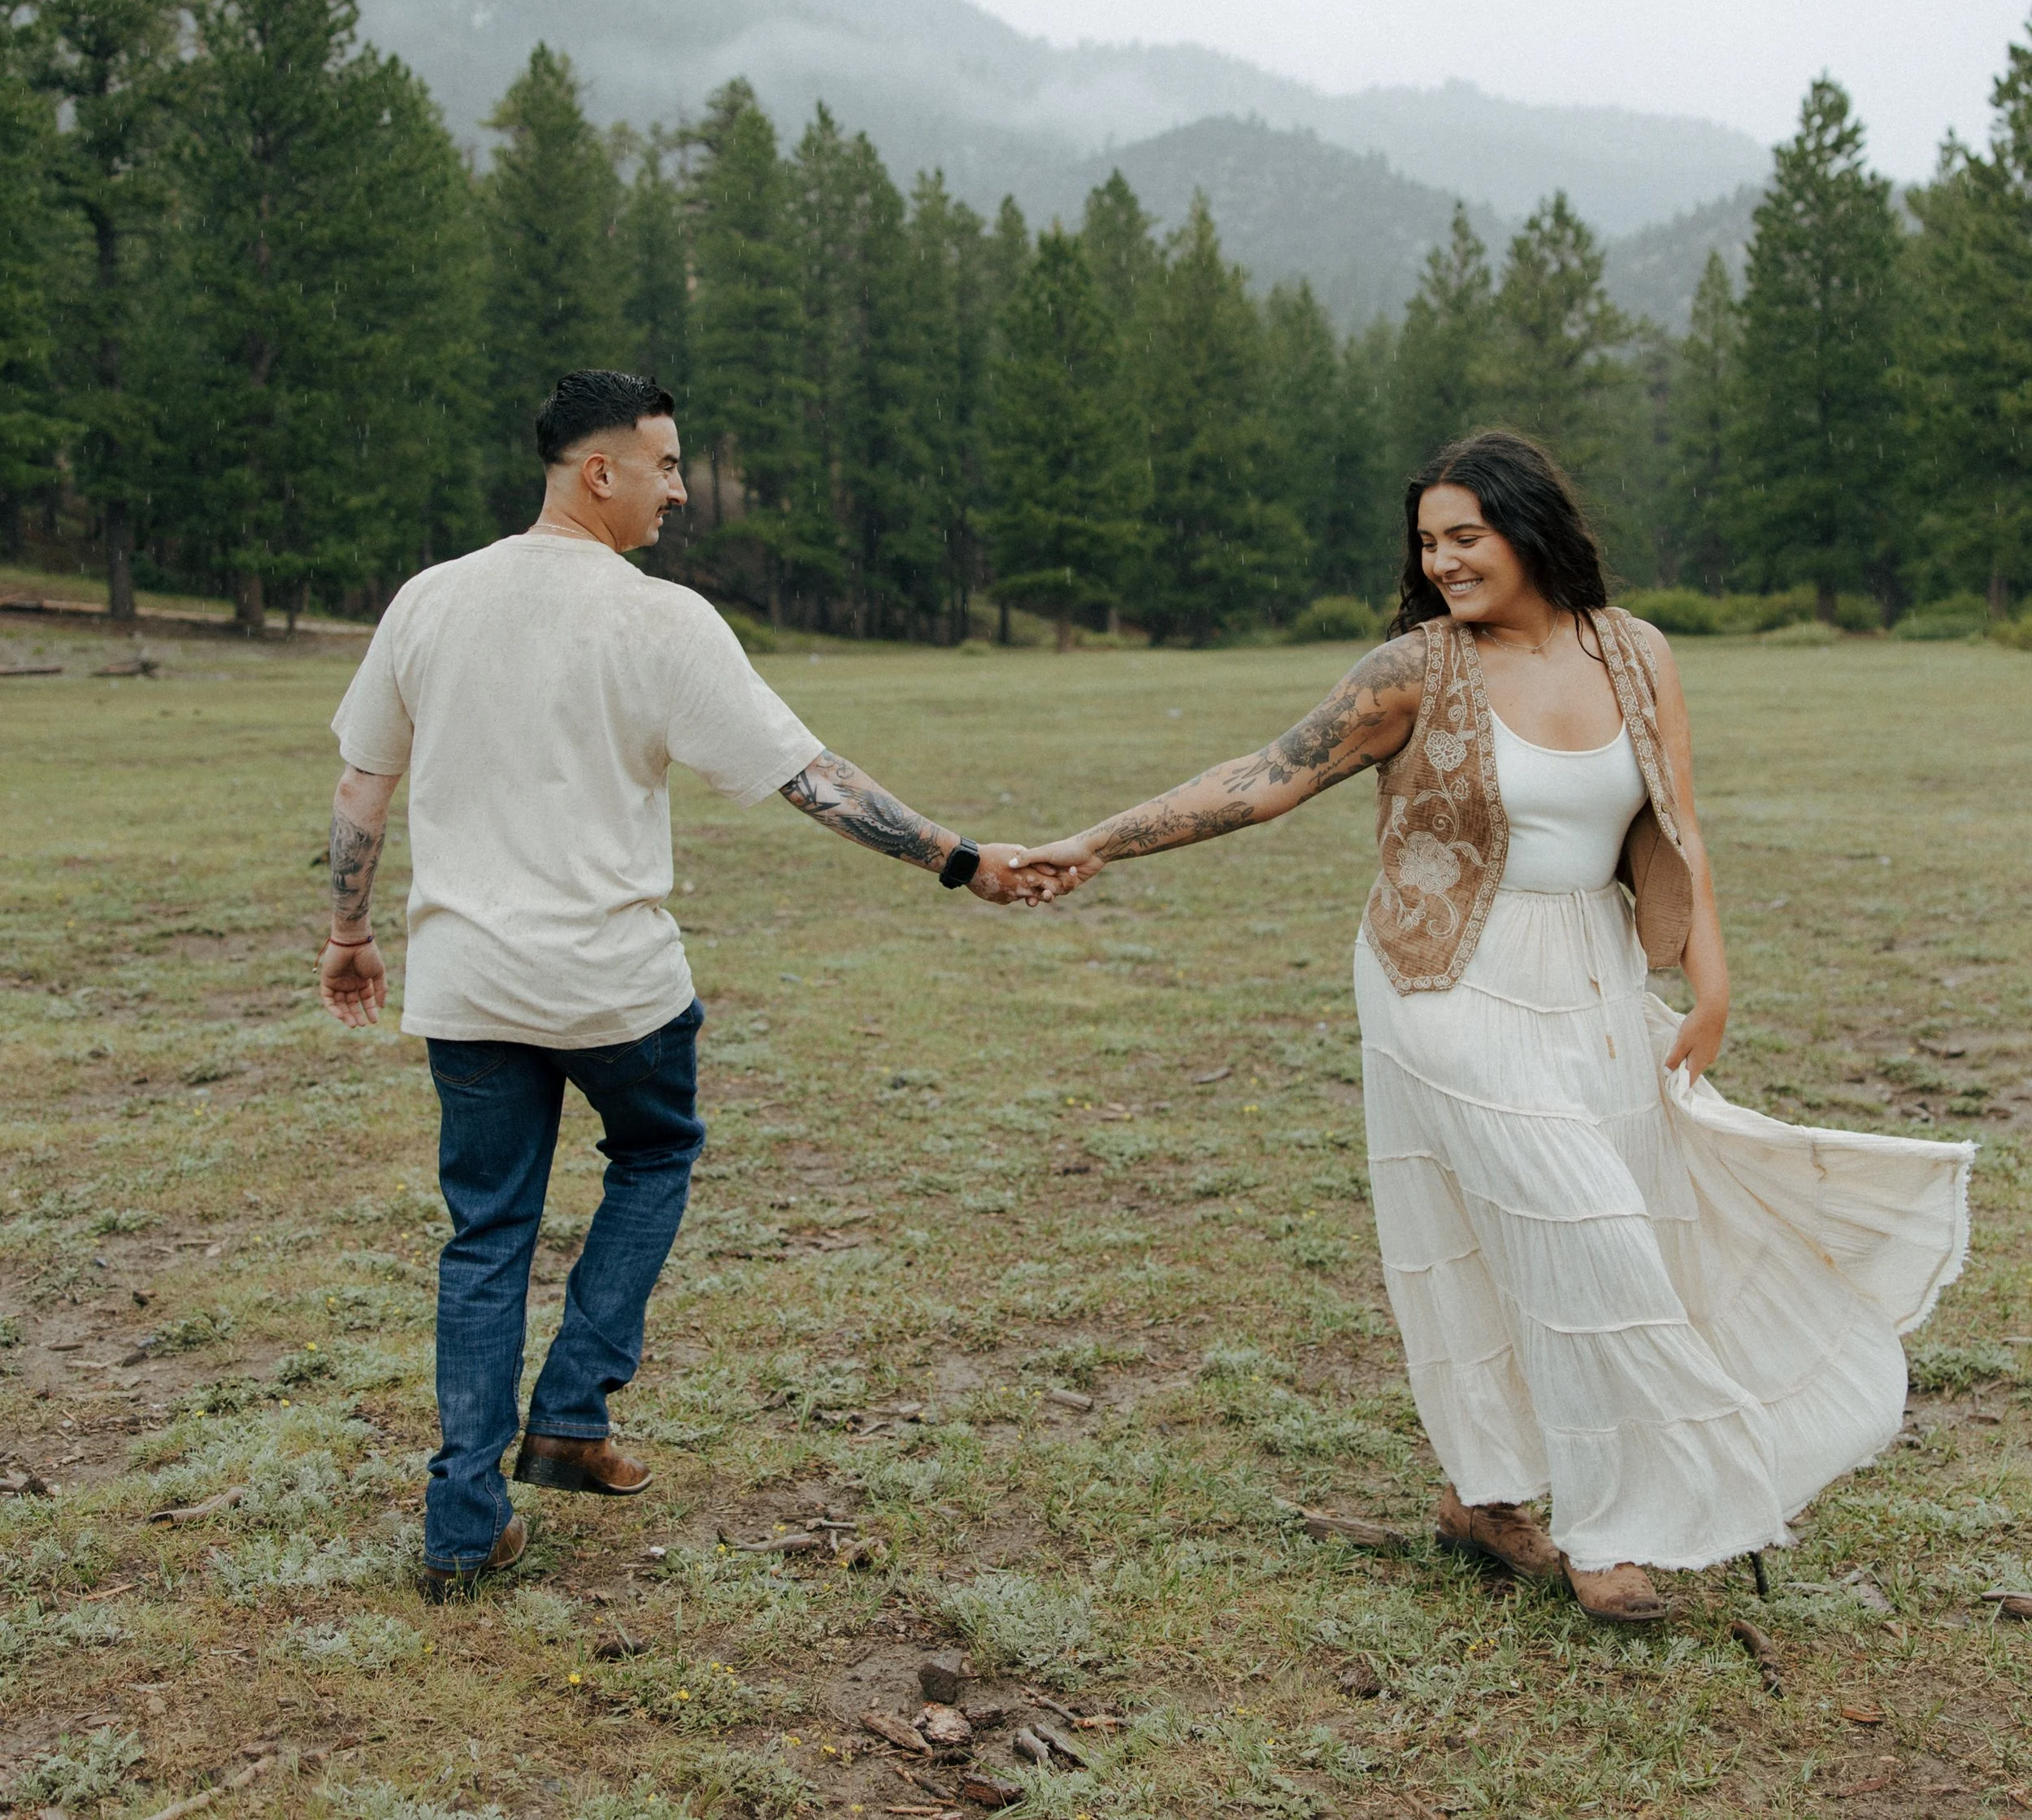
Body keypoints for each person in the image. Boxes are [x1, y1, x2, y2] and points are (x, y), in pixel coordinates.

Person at [1017, 428, 1971, 1623]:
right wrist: (1097, 841)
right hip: (1442, 974)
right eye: (1429, 542)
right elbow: (1266, 775)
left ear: (1530, 525)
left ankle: (1482, 1493)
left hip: (1591, 967)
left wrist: (1710, 984)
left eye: (1465, 534)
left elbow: (1678, 817)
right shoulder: (1412, 670)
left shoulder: (1638, 652)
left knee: (1517, 1235)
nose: (1446, 559)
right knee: (1588, 1229)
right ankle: (1611, 1529)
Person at [318, 370, 1063, 1601]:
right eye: (664, 464)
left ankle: (465, 1521)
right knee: (656, 1152)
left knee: (486, 1232)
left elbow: (361, 787)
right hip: (615, 984)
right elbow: (807, 777)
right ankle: (569, 1408)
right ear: (595, 471)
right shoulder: (660, 619)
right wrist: (960, 861)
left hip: (468, 982)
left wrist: (349, 928)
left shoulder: (429, 600)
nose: (679, 487)